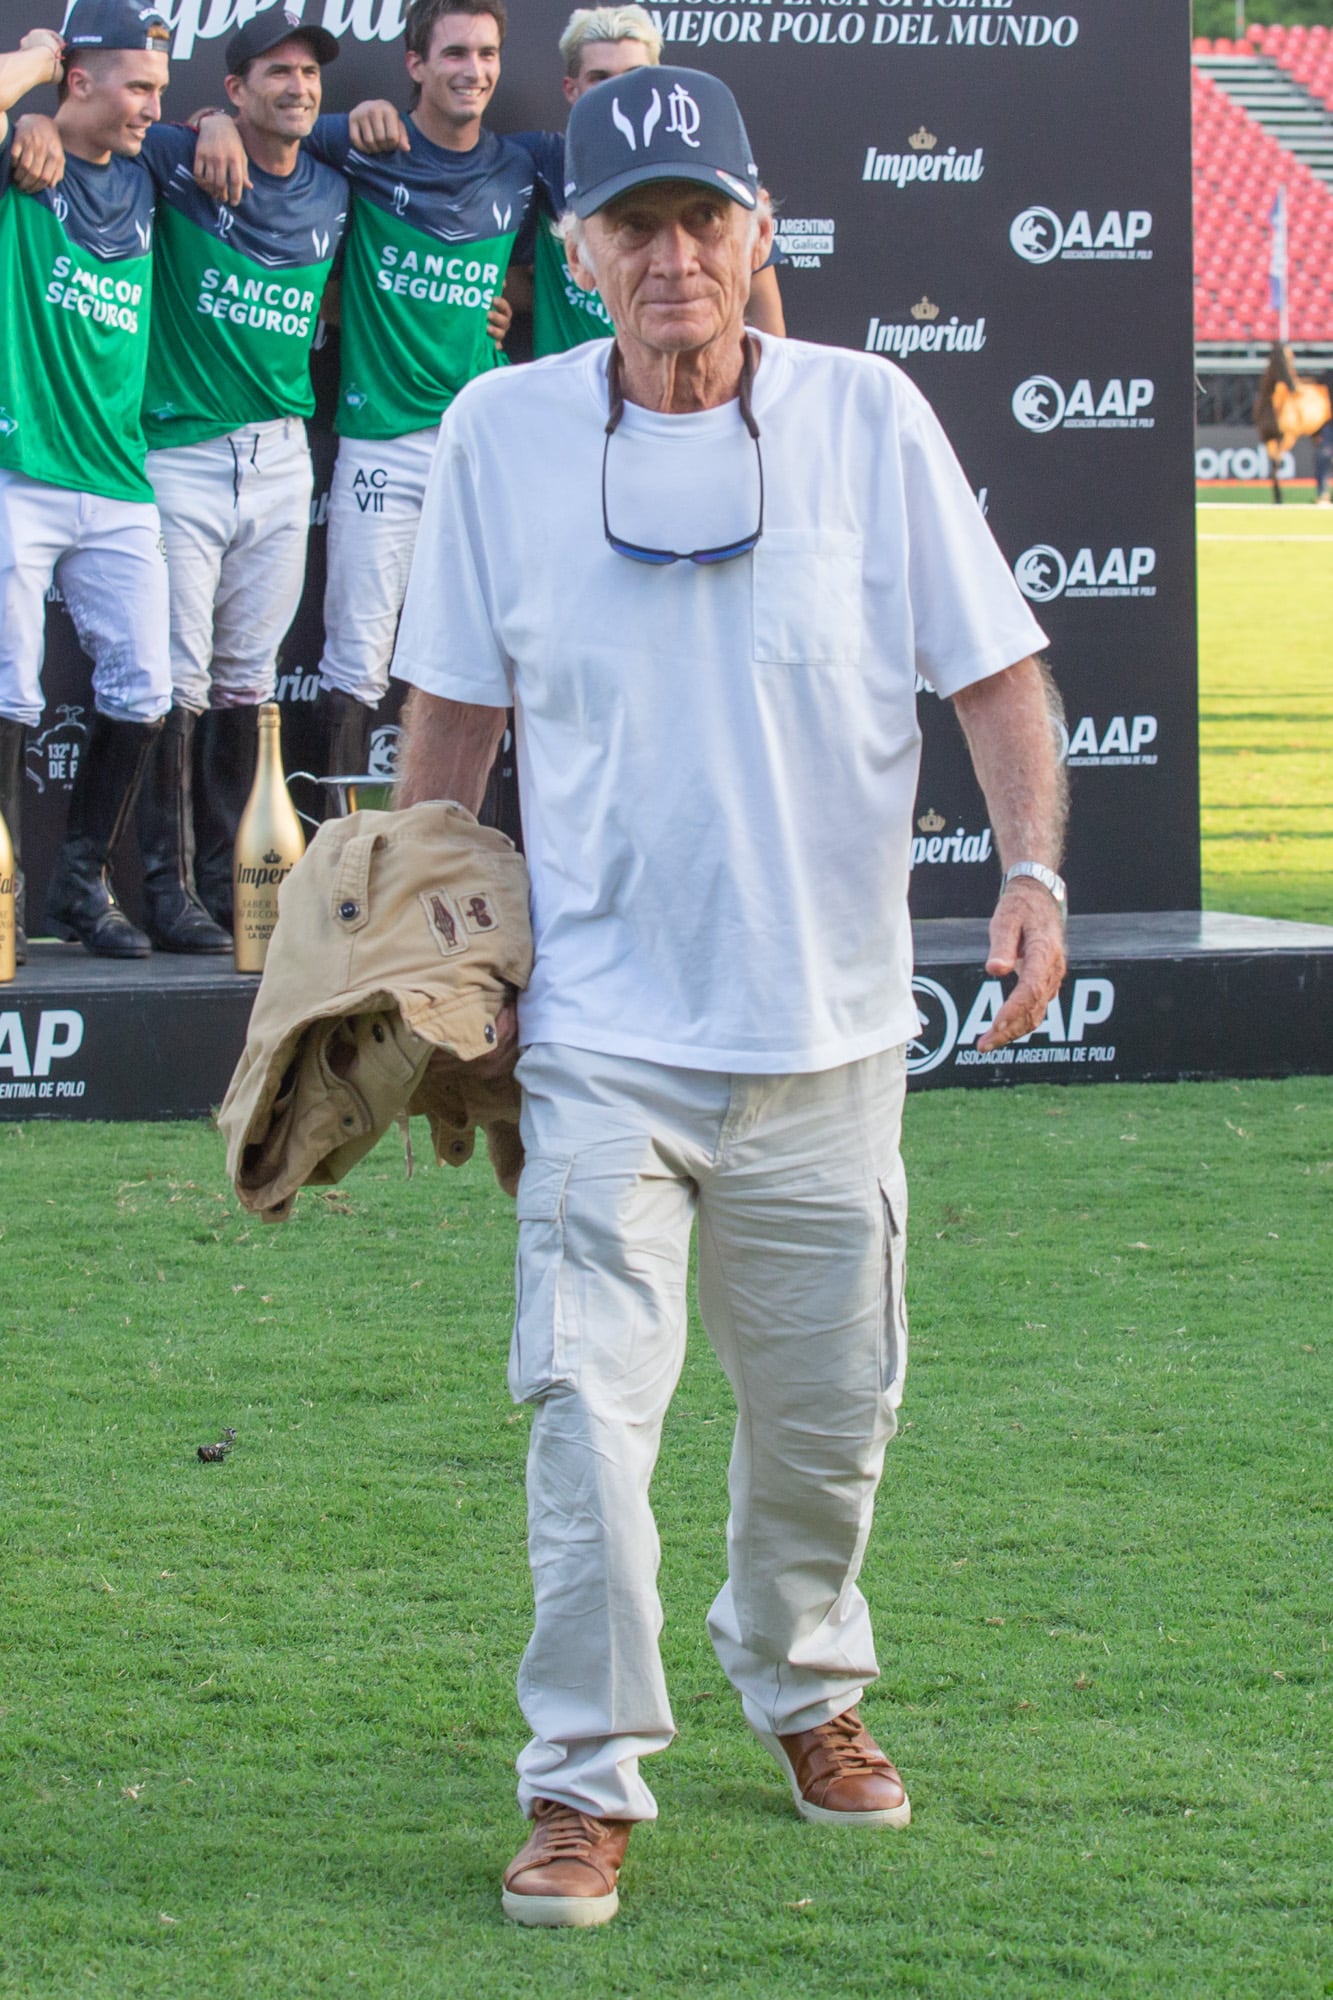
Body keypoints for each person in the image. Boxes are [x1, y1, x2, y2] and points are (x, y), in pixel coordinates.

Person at [389, 65, 1069, 1926]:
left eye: (702, 219)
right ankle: (580, 1780)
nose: (671, 256)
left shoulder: (868, 413)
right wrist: (435, 951)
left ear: (759, 232)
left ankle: (801, 1682)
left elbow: (995, 674)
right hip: (601, 1040)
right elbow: (451, 712)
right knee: (583, 1417)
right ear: (576, 250)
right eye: (633, 225)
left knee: (830, 1424)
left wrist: (1029, 872)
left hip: (830, 1040)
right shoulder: (498, 431)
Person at [196, 0, 543, 792]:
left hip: (481, 447)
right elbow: (262, 127)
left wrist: (500, 301)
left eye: (486, 54)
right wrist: (213, 121)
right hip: (380, 441)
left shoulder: (520, 166)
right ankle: (344, 854)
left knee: (491, 655)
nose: (474, 71)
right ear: (415, 64)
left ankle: (467, 846)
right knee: (355, 661)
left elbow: (542, 276)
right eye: (454, 53)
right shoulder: (359, 141)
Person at [136, 13, 348, 948]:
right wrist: (204, 128)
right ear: (234, 88)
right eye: (276, 73)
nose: (297, 87)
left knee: (244, 682)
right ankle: (167, 891)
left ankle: (233, 889)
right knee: (174, 680)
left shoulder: (337, 180)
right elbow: (106, 130)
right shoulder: (178, 159)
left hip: (281, 456)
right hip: (180, 452)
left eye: (308, 73)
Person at [0, 1, 173, 960]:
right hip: (19, 465)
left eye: (161, 89)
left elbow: (268, 134)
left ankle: (77, 884)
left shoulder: (149, 173)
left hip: (117, 477)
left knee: (146, 688)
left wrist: (213, 126)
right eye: (138, 87)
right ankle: (1, 895)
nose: (154, 106)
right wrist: (32, 63)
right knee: (10, 690)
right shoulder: (22, 158)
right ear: (80, 81)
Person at [508, 6, 785, 358]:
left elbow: (762, 302)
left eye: (634, 75)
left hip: (691, 384)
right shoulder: (540, 163)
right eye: (600, 78)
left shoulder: (702, 163)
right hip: (580, 384)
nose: (618, 92)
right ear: (571, 89)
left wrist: (763, 384)